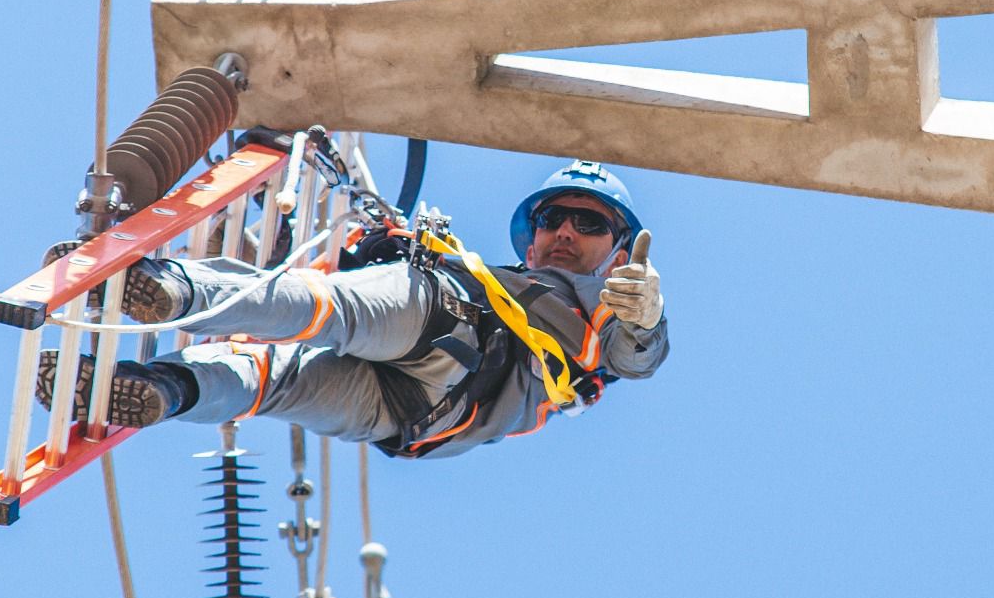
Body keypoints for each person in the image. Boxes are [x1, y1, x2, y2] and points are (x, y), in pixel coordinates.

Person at [37, 160, 669, 459]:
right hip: (426, 419)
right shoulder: (500, 275)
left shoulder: (608, 311)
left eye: (587, 223)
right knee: (269, 380)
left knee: (322, 311)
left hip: (453, 342)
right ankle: (162, 390)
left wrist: (645, 320)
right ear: (529, 239)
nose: (564, 231)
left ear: (616, 253)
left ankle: (172, 290)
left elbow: (637, 357)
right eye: (553, 218)